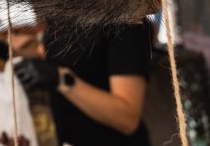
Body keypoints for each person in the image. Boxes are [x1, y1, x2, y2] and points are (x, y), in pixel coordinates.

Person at [15, 19, 153, 146]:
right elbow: (64, 57)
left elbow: (128, 119)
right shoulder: (61, 16)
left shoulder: (127, 21)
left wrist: (60, 78)